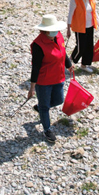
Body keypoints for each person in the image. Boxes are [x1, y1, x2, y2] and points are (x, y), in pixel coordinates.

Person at [27, 14, 73, 143]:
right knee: (45, 107)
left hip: (59, 77)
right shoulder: (38, 45)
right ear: (45, 31)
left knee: (58, 100)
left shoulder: (58, 36)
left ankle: (40, 107)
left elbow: (63, 52)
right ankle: (47, 129)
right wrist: (32, 88)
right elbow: (35, 67)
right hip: (44, 81)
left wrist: (68, 65)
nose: (55, 31)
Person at [67, 0, 99, 73]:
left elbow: (94, 12)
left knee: (89, 46)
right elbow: (70, 14)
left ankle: (84, 65)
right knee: (81, 47)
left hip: (90, 25)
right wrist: (68, 29)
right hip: (80, 26)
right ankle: (70, 62)